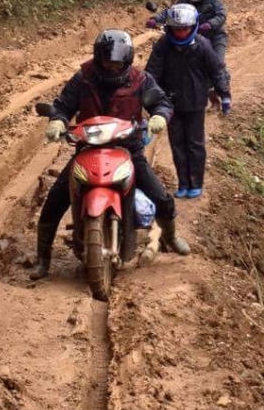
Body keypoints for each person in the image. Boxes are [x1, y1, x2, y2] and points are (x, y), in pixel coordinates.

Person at [30, 29, 190, 280]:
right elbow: (63, 105)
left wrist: (160, 115)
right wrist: (58, 121)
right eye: (107, 61)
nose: (112, 67)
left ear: (127, 60)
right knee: (53, 202)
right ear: (97, 58)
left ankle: (170, 236)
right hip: (88, 148)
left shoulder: (140, 80)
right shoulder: (84, 78)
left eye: (117, 62)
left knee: (161, 196)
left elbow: (161, 102)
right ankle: (43, 260)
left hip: (128, 148)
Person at [146, 4, 231, 199]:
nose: (181, 32)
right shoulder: (163, 45)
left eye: (185, 28)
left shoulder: (202, 45)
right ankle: (183, 182)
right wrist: (147, 98)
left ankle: (196, 182)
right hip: (170, 103)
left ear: (192, 27)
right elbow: (151, 73)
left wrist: (225, 94)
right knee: (177, 145)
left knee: (194, 144)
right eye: (177, 28)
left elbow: (216, 70)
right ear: (169, 28)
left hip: (195, 102)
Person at [147, 0, 229, 68]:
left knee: (217, 65)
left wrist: (210, 24)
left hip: (214, 36)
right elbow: (171, 11)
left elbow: (221, 15)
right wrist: (156, 19)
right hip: (191, 36)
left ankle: (223, 80)